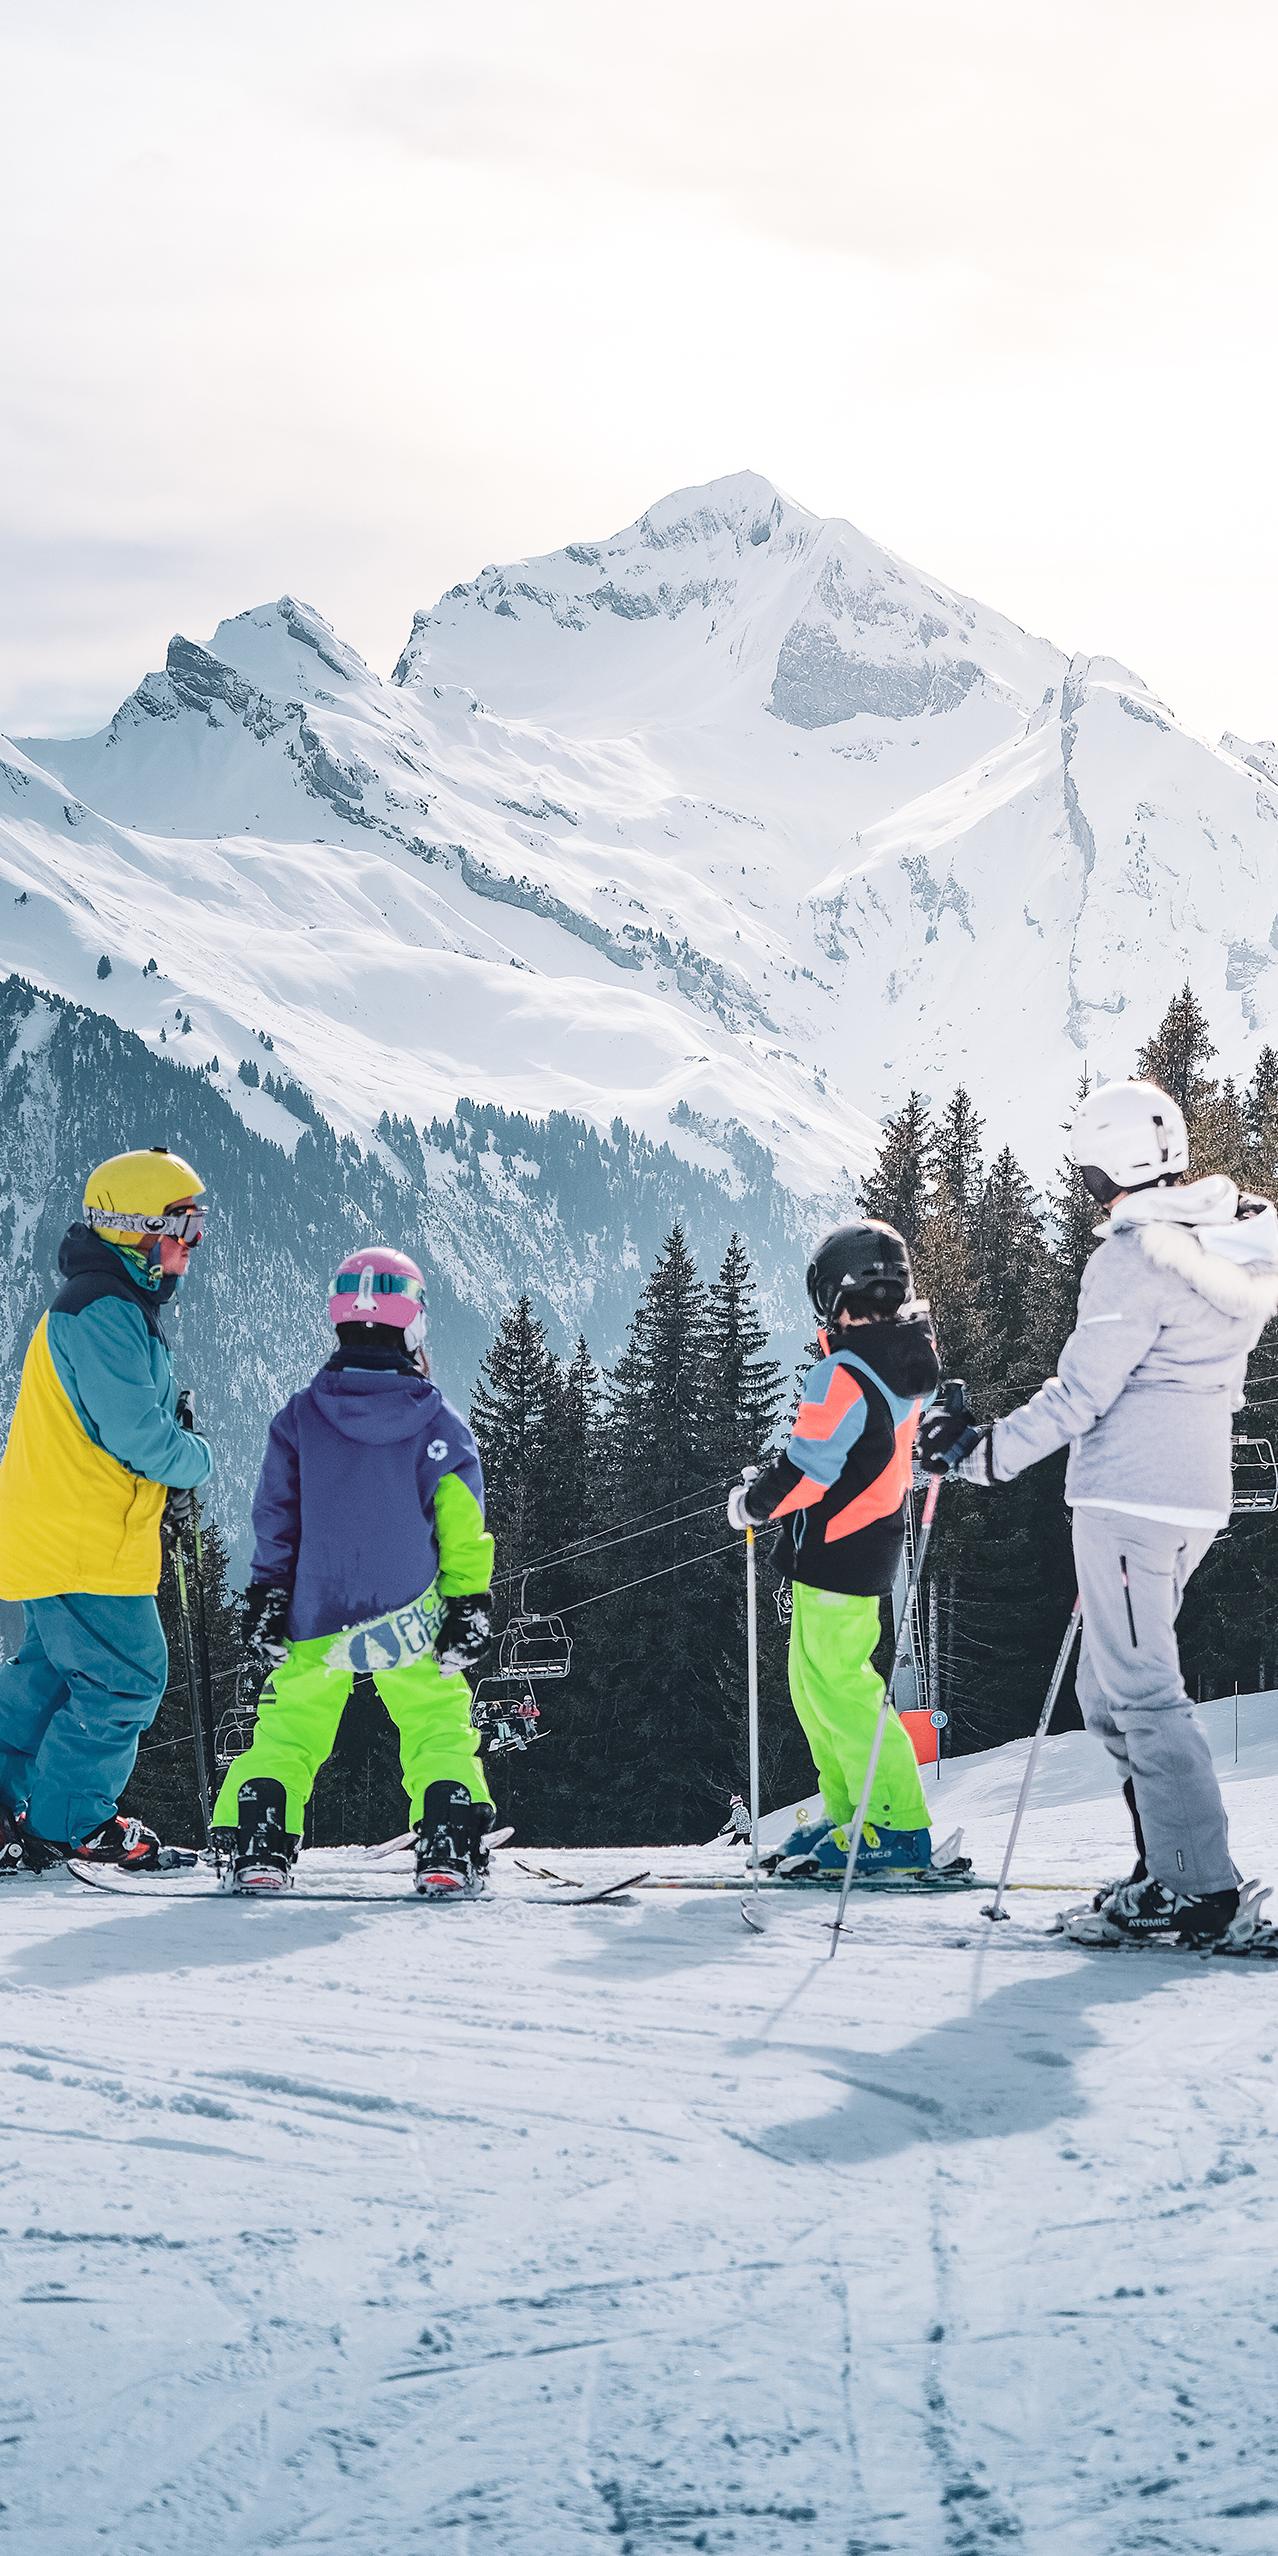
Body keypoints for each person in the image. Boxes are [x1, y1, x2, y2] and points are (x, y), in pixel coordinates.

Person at [921, 1079, 1278, 1945]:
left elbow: (1081, 1394)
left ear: (1100, 1167)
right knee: (1105, 1686)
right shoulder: (1229, 1245)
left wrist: (981, 1453)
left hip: (1128, 1499)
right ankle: (1169, 1868)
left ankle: (1198, 1887)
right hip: (1190, 1496)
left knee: (1142, 1692)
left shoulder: (1132, 1257)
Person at [212, 1246, 497, 1896]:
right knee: (434, 1719)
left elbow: (276, 1517)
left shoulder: (301, 1417)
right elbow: (461, 1528)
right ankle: (448, 1845)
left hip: (320, 1605)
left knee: (290, 1724)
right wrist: (468, 1602)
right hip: (410, 1608)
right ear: (414, 1324)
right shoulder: (438, 1424)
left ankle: (258, 1842)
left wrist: (267, 1593)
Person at [0, 1147, 213, 1873]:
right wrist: (196, 1455)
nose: (192, 1246)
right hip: (83, 1541)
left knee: (49, 1677)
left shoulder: (105, 1305)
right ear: (137, 1230)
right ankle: (69, 1824)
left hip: (56, 1533)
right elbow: (137, 1438)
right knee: (128, 1675)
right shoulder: (104, 1313)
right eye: (182, 1228)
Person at [727, 1219, 945, 1875]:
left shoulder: (842, 1375)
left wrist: (752, 1503)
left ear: (830, 1296)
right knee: (814, 1687)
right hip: (863, 1546)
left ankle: (896, 1825)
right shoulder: (903, 1363)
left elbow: (808, 1471)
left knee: (843, 1692)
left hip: (837, 1552)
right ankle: (851, 1809)